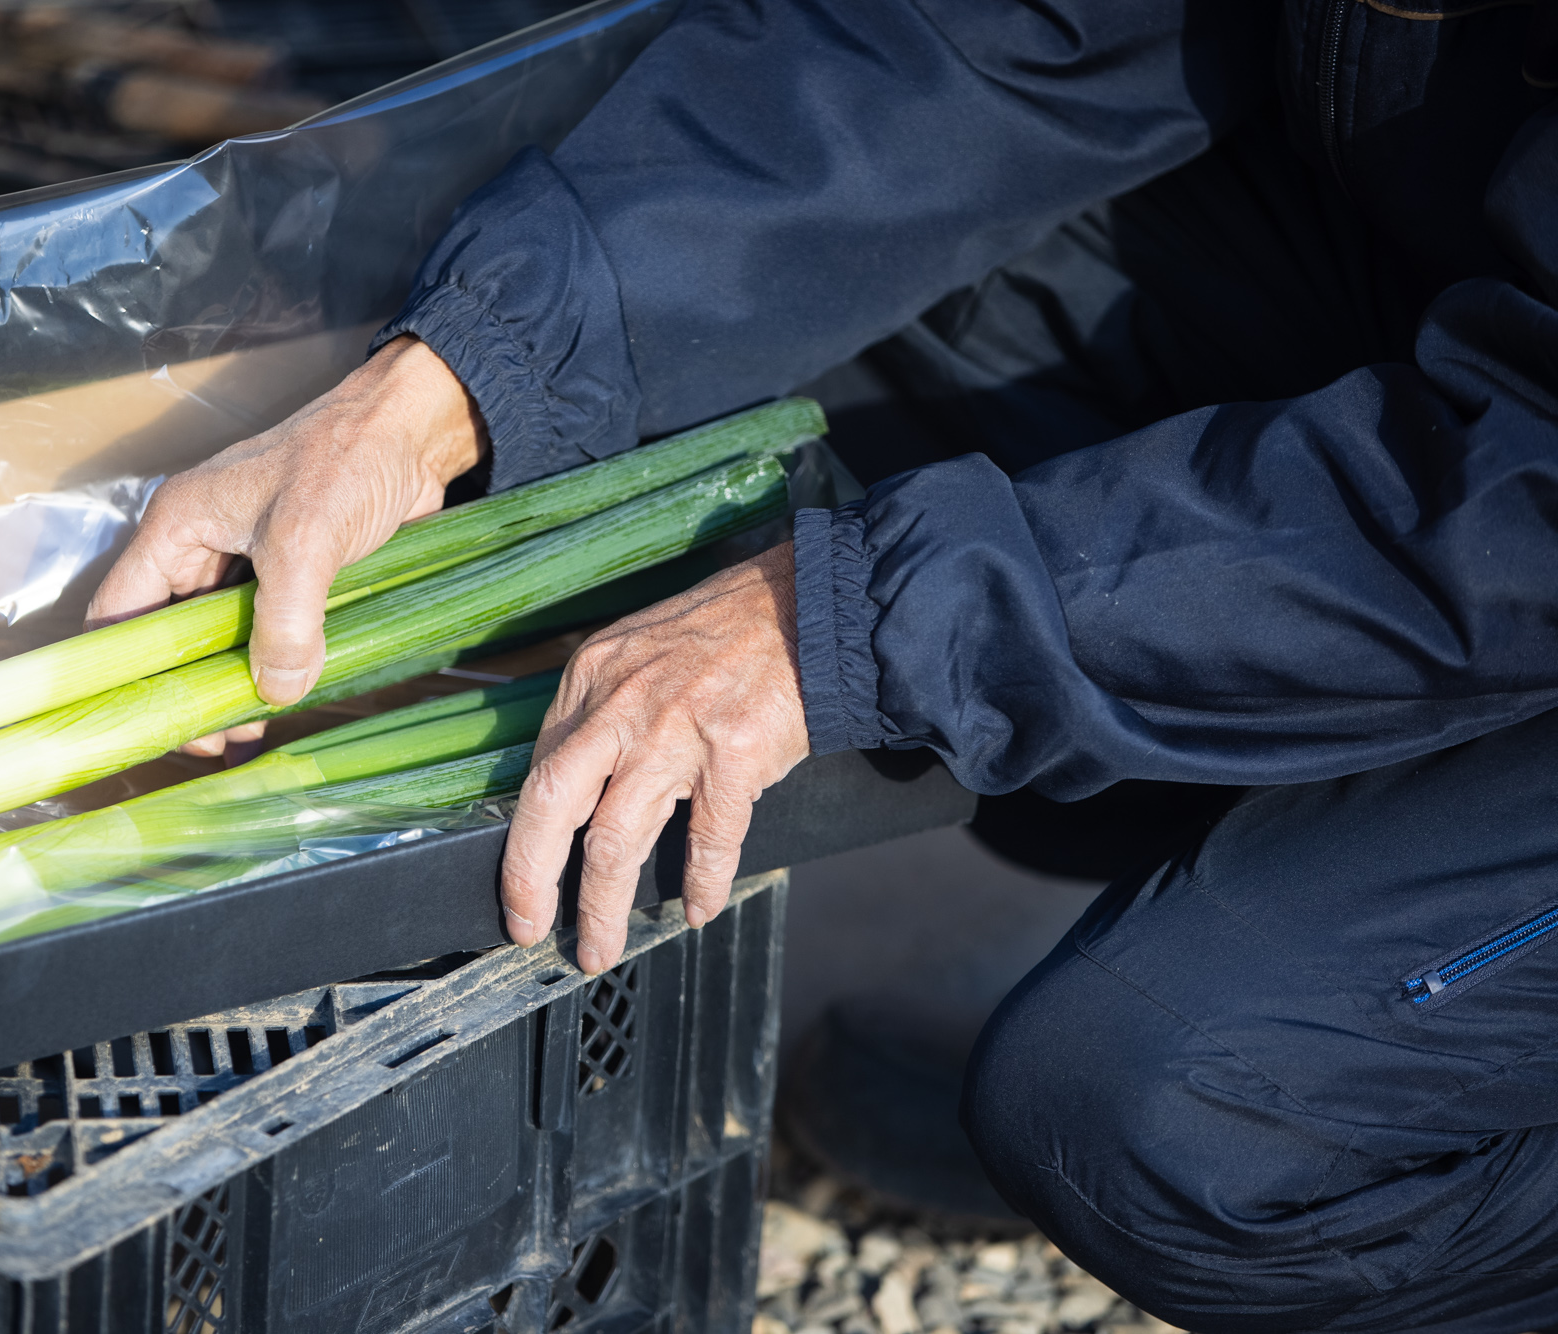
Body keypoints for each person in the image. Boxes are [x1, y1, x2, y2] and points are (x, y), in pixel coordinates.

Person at [89, 2, 1558, 1329]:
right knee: (811, 348)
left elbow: (1524, 506)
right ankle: (1327, 901)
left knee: (1171, 1116)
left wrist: (848, 623)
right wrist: (459, 383)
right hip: (1463, 307)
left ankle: (1419, 1074)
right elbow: (984, 38)